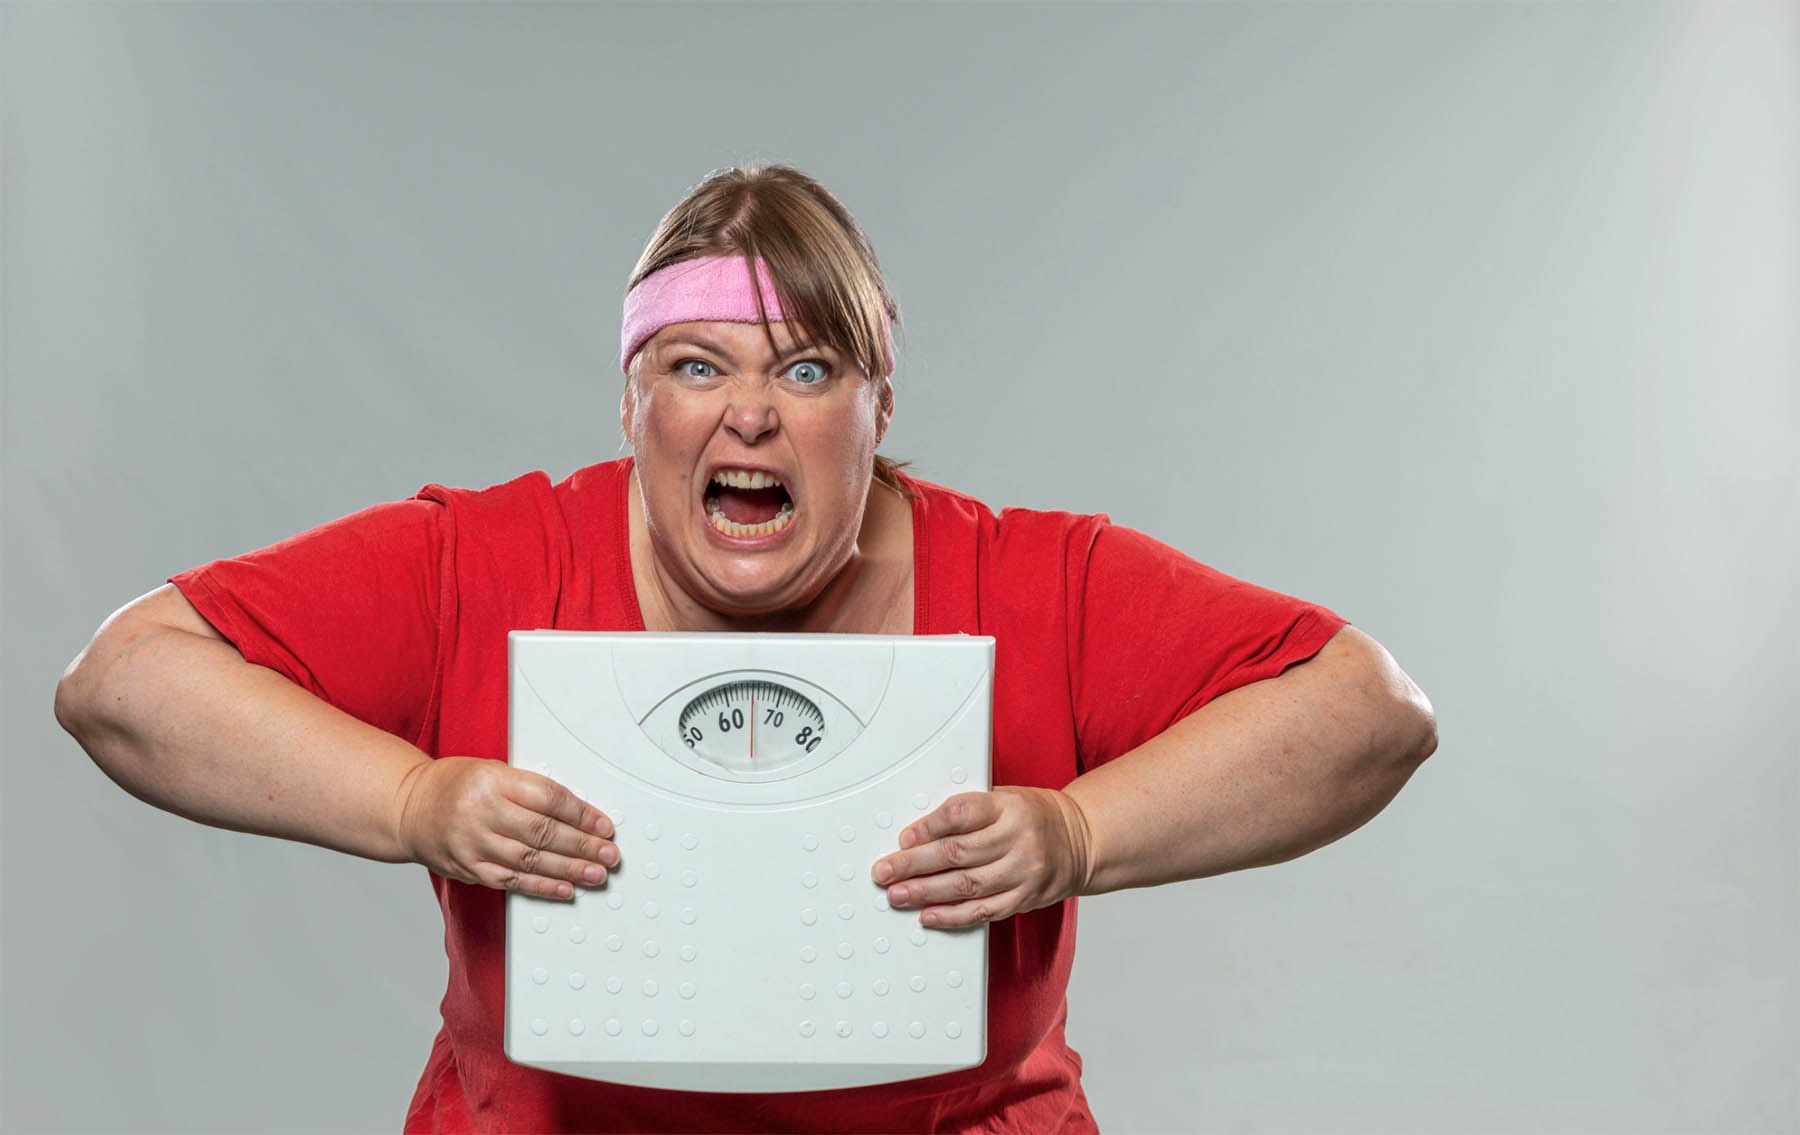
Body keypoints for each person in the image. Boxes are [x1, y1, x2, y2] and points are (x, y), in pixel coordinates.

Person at [55, 162, 1438, 1133]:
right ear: (631, 404)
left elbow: (1367, 710)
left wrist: (1076, 835)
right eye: (698, 367)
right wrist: (413, 800)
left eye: (807, 369)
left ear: (880, 403)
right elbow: (124, 684)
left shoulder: (1034, 578)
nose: (752, 416)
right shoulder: (482, 562)